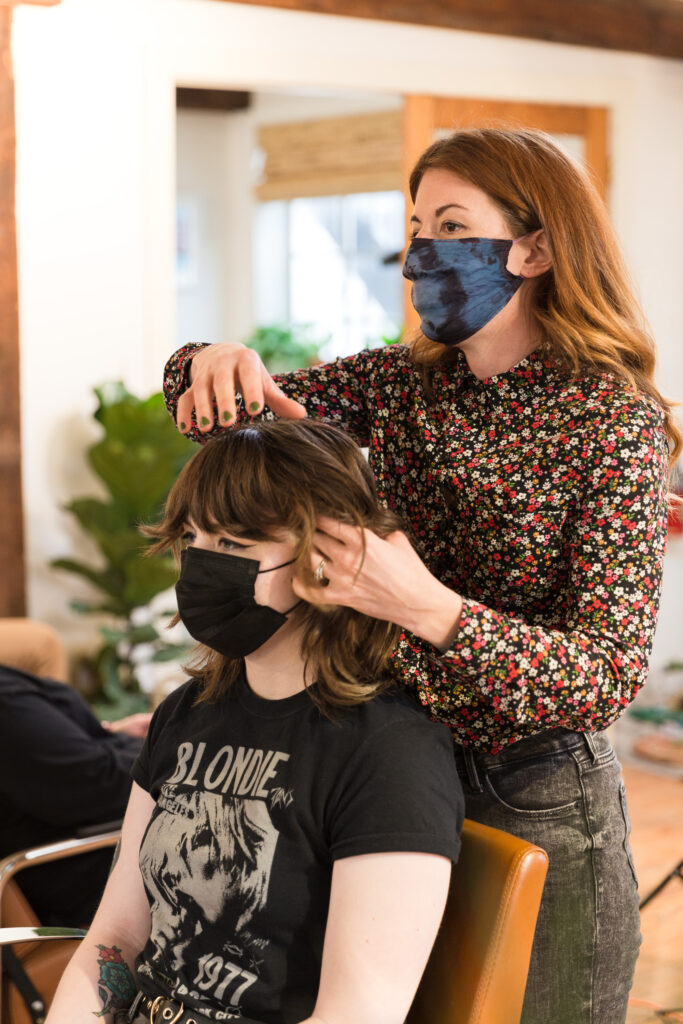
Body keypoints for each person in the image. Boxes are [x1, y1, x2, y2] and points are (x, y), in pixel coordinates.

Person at [161, 127, 680, 1024]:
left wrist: (427, 609)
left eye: (449, 223)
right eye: (412, 224)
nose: (418, 251)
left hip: (537, 790)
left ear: (536, 246)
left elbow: (600, 676)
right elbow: (234, 418)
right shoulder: (405, 384)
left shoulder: (609, 421)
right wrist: (202, 364)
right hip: (394, 757)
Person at [45, 419, 464, 1024]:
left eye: (236, 545)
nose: (204, 565)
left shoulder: (390, 752)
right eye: (194, 539)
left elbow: (359, 1014)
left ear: (331, 557)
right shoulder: (185, 713)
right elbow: (116, 940)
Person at [0, 663, 149, 926]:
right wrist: (175, 752)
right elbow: (97, 782)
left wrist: (111, 735)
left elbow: (46, 759)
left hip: (86, 831)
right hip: (79, 866)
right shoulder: (6, 702)